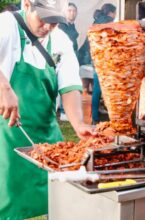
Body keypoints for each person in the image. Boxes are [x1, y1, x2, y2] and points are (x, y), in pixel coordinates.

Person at [0, 0, 93, 218]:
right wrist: (4, 87)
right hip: (7, 132)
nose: (48, 26)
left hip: (45, 133)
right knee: (10, 197)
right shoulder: (6, 25)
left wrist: (78, 124)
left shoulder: (60, 39)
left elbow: (69, 86)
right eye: (44, 19)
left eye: (55, 21)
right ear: (27, 4)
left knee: (57, 200)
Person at [78, 3, 116, 124]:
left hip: (96, 59)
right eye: (114, 13)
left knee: (97, 89)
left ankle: (95, 116)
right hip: (105, 60)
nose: (115, 16)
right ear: (111, 12)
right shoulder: (109, 23)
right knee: (106, 89)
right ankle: (101, 117)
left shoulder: (95, 22)